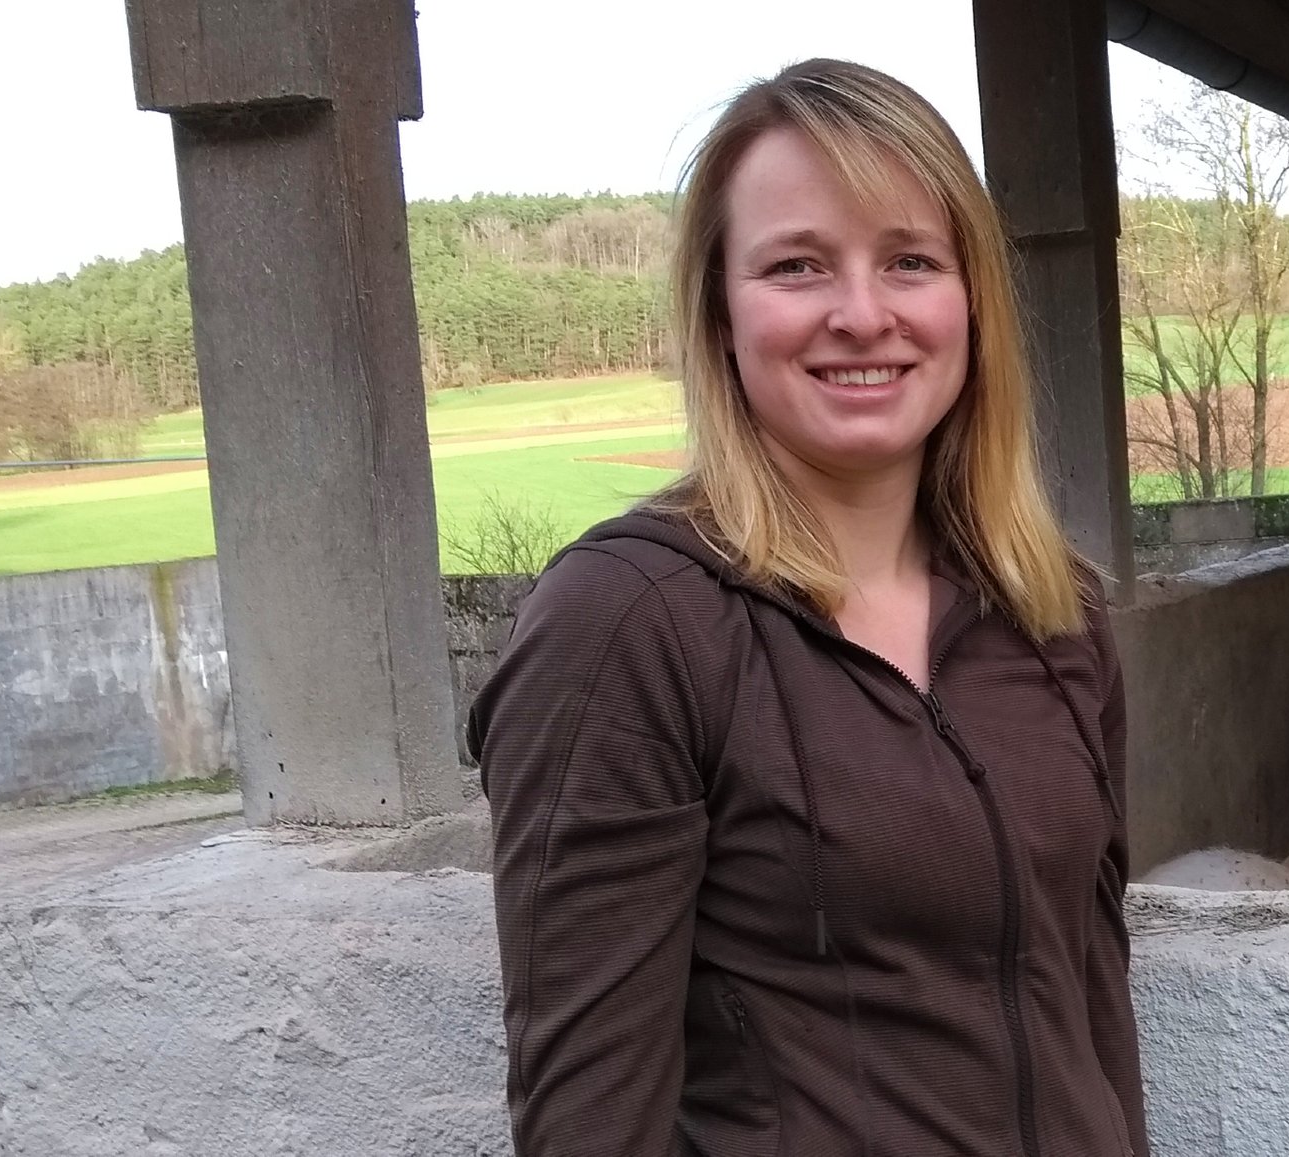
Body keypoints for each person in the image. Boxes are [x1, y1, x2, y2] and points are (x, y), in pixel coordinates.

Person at [468, 58, 1146, 1156]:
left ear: (970, 302)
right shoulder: (631, 622)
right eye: (796, 266)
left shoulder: (1051, 608)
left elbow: (1092, 998)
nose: (861, 314)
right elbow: (589, 1117)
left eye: (910, 261)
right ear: (720, 316)